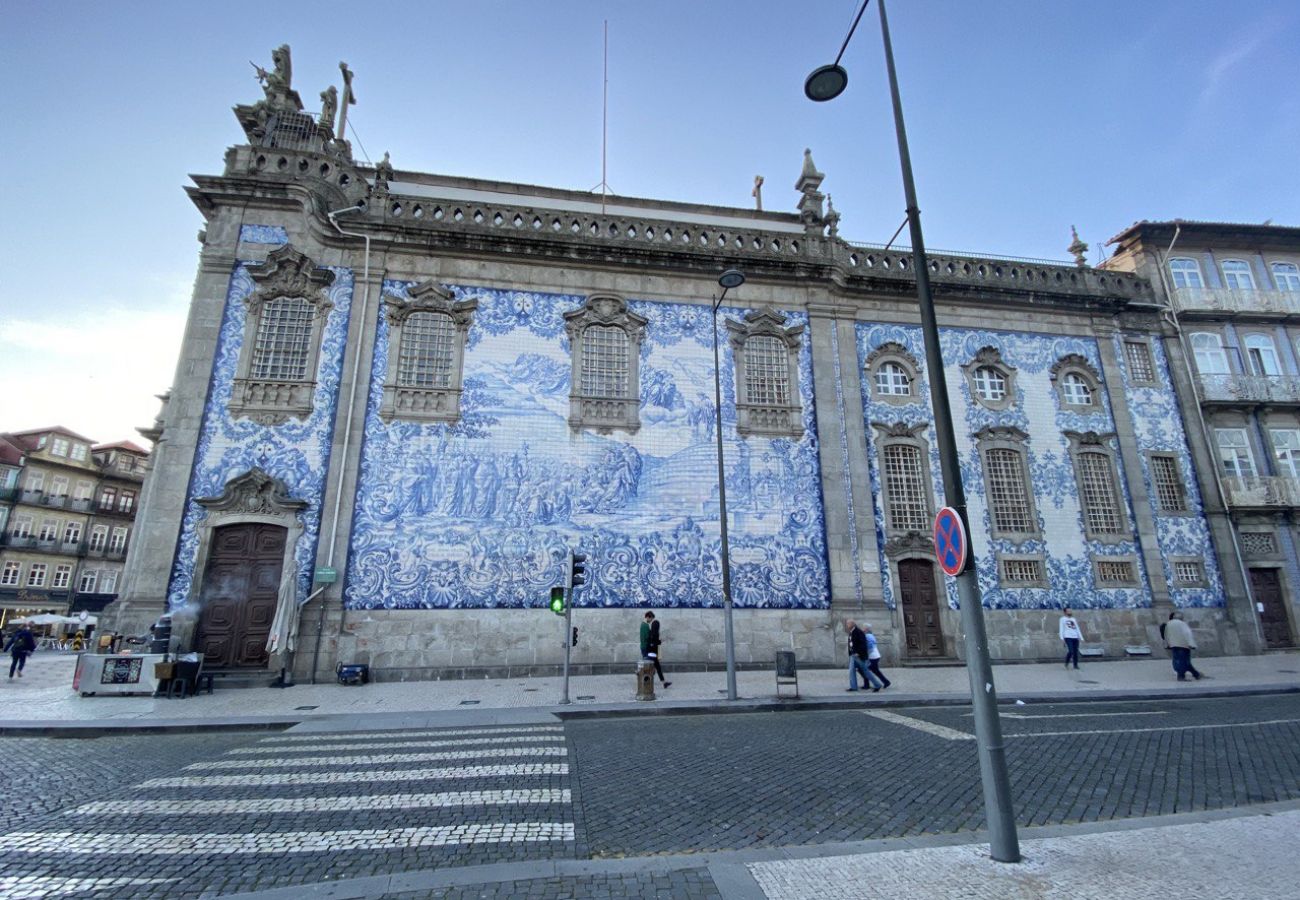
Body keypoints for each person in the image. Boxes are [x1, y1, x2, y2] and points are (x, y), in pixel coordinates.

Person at [844, 619, 882, 692]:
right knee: (851, 671)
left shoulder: (858, 632)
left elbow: (863, 644)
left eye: (848, 623)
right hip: (853, 655)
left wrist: (858, 653)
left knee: (866, 671)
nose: (847, 625)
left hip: (858, 655)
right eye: (847, 623)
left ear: (852, 624)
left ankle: (877, 685)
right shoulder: (851, 632)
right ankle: (854, 687)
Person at [1163, 611, 1202, 681]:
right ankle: (1182, 676)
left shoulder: (1169, 624)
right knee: (1184, 661)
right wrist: (1192, 644)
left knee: (1179, 661)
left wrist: (1167, 644)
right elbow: (1187, 634)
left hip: (1173, 645)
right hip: (1183, 645)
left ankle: (1196, 674)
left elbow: (1166, 635)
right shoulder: (1182, 624)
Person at [639, 611, 670, 688]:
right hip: (646, 648)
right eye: (651, 618)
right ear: (648, 617)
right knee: (648, 667)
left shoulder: (644, 625)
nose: (651, 620)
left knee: (652, 666)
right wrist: (655, 641)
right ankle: (645, 683)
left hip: (647, 648)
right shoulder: (645, 626)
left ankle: (662, 682)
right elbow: (646, 638)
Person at [864, 624, 891, 689]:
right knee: (873, 670)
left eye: (864, 628)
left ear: (867, 629)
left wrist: (867, 654)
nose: (863, 629)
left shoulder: (867, 636)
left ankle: (867, 685)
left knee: (866, 670)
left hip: (872, 656)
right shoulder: (871, 635)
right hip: (875, 655)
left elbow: (870, 646)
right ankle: (886, 682)